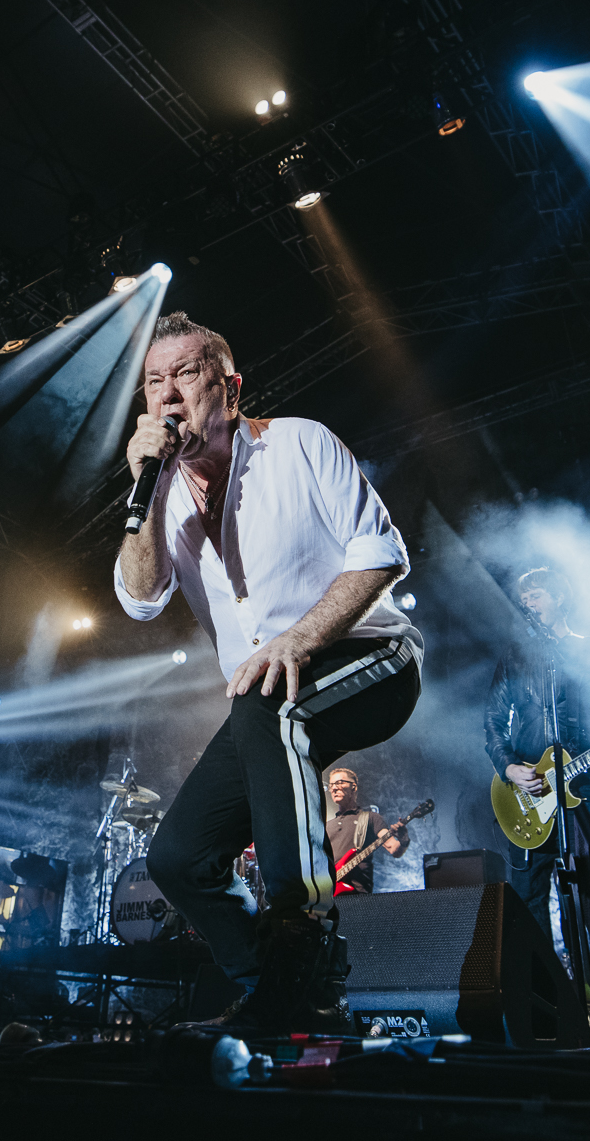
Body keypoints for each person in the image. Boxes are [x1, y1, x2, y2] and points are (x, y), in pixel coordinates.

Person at [123, 312, 421, 1034]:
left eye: (186, 374)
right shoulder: (162, 491)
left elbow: (381, 553)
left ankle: (305, 945)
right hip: (268, 697)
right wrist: (146, 490)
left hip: (372, 656)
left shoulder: (298, 442)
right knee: (180, 857)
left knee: (266, 704)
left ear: (229, 389)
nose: (169, 394)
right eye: (155, 381)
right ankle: (272, 993)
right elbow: (140, 597)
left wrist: (300, 637)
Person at [483, 567, 590, 962]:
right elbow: (493, 721)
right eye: (523, 599)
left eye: (535, 596)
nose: (527, 604)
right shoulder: (515, 655)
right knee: (528, 899)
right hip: (528, 789)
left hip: (583, 786)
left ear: (559, 598)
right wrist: (509, 767)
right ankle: (545, 993)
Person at [324, 768, 406, 895]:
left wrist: (404, 839)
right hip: (329, 895)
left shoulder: (371, 818)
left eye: (339, 783)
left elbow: (393, 848)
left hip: (358, 894)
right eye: (331, 785)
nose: (334, 788)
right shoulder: (327, 826)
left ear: (354, 787)